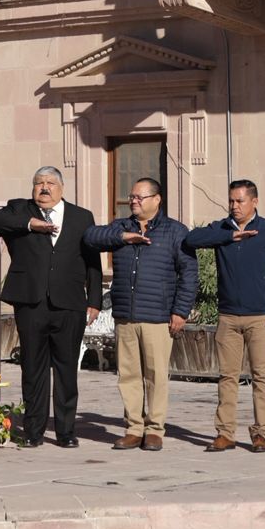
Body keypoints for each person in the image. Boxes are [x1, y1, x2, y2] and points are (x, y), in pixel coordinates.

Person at [0, 166, 101, 448]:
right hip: (31, 302)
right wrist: (29, 224)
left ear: (61, 188)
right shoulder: (20, 210)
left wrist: (94, 300)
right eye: (39, 183)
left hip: (69, 303)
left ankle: (66, 431)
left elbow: (92, 261)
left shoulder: (82, 216)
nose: (44, 188)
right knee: (33, 368)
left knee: (66, 370)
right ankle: (33, 431)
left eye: (50, 183)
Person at [82, 178, 199, 452]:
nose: (133, 201)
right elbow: (90, 237)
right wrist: (123, 238)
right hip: (126, 316)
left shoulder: (175, 232)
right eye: (131, 196)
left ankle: (155, 429)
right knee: (128, 375)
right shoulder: (121, 227)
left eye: (139, 197)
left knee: (155, 376)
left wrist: (180, 311)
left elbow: (189, 274)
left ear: (157, 199)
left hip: (158, 317)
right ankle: (134, 428)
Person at [183, 179, 265, 453]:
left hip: (261, 317)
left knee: (262, 376)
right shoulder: (221, 228)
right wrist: (229, 237)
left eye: (240, 201)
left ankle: (260, 434)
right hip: (228, 317)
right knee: (227, 377)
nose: (234, 206)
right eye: (231, 200)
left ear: (254, 202)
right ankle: (225, 434)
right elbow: (191, 239)